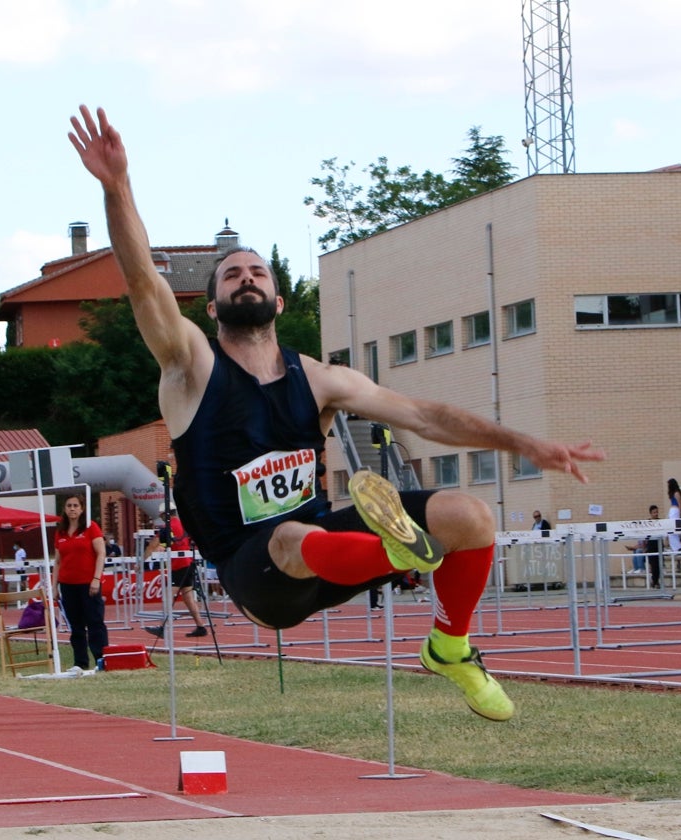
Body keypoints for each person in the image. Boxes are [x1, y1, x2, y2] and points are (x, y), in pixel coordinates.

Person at [69, 105, 603, 721]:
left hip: (335, 549)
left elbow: (424, 415)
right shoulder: (191, 367)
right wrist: (118, 187)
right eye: (231, 275)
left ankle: (449, 646)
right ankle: (402, 552)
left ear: (278, 296)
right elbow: (142, 282)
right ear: (211, 308)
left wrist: (524, 443)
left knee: (471, 516)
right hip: (261, 573)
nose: (245, 278)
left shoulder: (321, 380)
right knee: (296, 535)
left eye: (257, 271)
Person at [54, 493, 108, 674]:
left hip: (88, 584)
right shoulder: (60, 532)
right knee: (75, 626)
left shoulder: (91, 527)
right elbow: (57, 562)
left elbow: (101, 553)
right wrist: (54, 586)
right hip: (68, 585)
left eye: (76, 505)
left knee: (95, 622)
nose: (72, 509)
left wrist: (96, 578)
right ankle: (80, 662)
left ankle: (101, 660)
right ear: (64, 509)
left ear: (82, 508)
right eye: (69, 505)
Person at [143, 503, 210, 638]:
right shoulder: (183, 524)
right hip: (189, 563)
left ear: (164, 515)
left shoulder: (168, 527)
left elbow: (153, 544)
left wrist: (142, 562)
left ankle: (162, 627)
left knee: (168, 596)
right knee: (188, 597)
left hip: (179, 566)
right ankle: (200, 626)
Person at [666, 478, 681, 557]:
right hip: (672, 510)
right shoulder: (673, 493)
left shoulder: (676, 493)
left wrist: (680, 515)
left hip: (675, 510)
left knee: (673, 529)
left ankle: (677, 547)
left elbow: (680, 504)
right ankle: (674, 547)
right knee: (670, 529)